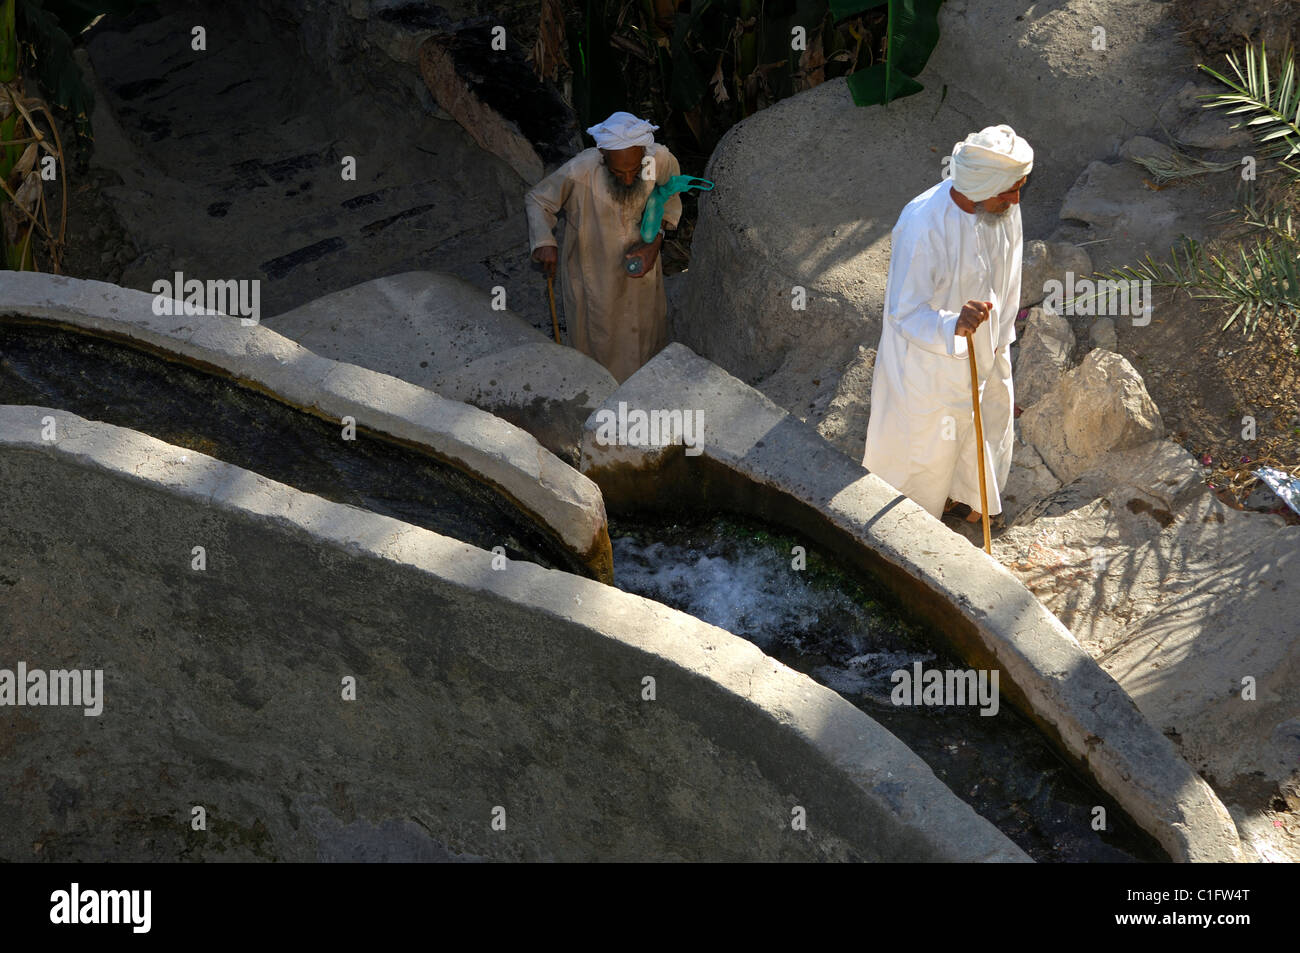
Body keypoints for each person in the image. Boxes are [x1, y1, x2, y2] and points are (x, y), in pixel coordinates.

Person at [861, 124, 1033, 525]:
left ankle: (967, 499)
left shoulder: (1003, 207)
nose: (1017, 198)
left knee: (982, 423)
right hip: (929, 362)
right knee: (925, 450)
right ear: (979, 187)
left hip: (987, 347)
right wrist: (952, 324)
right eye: (1009, 191)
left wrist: (1001, 334)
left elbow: (1011, 273)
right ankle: (910, 526)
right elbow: (904, 311)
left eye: (1019, 186)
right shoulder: (923, 225)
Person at [524, 111, 682, 383]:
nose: (629, 179)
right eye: (619, 172)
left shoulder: (660, 160)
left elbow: (669, 201)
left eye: (634, 170)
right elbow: (538, 200)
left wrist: (654, 244)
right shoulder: (581, 170)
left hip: (642, 268)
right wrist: (544, 241)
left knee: (645, 336)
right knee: (600, 343)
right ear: (603, 158)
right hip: (593, 274)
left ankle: (644, 392)